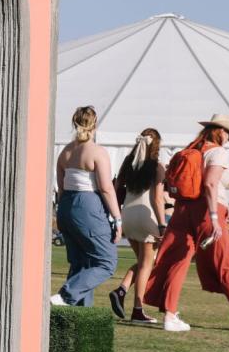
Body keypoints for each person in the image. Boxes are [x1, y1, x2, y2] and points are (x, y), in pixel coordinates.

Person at [143, 114, 229, 332]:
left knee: (176, 262)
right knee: (225, 262)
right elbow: (210, 184)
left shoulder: (192, 149)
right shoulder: (217, 152)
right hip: (207, 211)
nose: (228, 137)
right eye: (227, 132)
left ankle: (170, 316)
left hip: (183, 209)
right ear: (219, 131)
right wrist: (213, 217)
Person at [50, 106, 121, 307]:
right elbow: (107, 188)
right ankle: (65, 295)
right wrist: (118, 218)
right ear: (95, 124)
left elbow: (61, 188)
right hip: (88, 205)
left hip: (66, 207)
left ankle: (77, 316)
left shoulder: (65, 152)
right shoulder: (97, 152)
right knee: (106, 262)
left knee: (81, 263)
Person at [109, 129, 165, 323]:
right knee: (148, 264)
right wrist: (162, 225)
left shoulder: (127, 163)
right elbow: (157, 199)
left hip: (128, 215)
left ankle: (122, 289)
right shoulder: (157, 166)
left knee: (143, 263)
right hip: (145, 214)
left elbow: (116, 188)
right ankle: (137, 310)